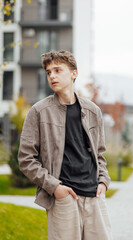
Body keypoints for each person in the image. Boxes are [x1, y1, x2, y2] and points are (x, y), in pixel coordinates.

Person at [18, 50, 112, 240]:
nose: (52, 75)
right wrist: (55, 187)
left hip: (94, 195)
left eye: (58, 70)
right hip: (64, 197)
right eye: (48, 72)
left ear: (73, 73)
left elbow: (99, 153)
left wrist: (103, 181)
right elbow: (26, 159)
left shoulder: (93, 111)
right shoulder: (38, 111)